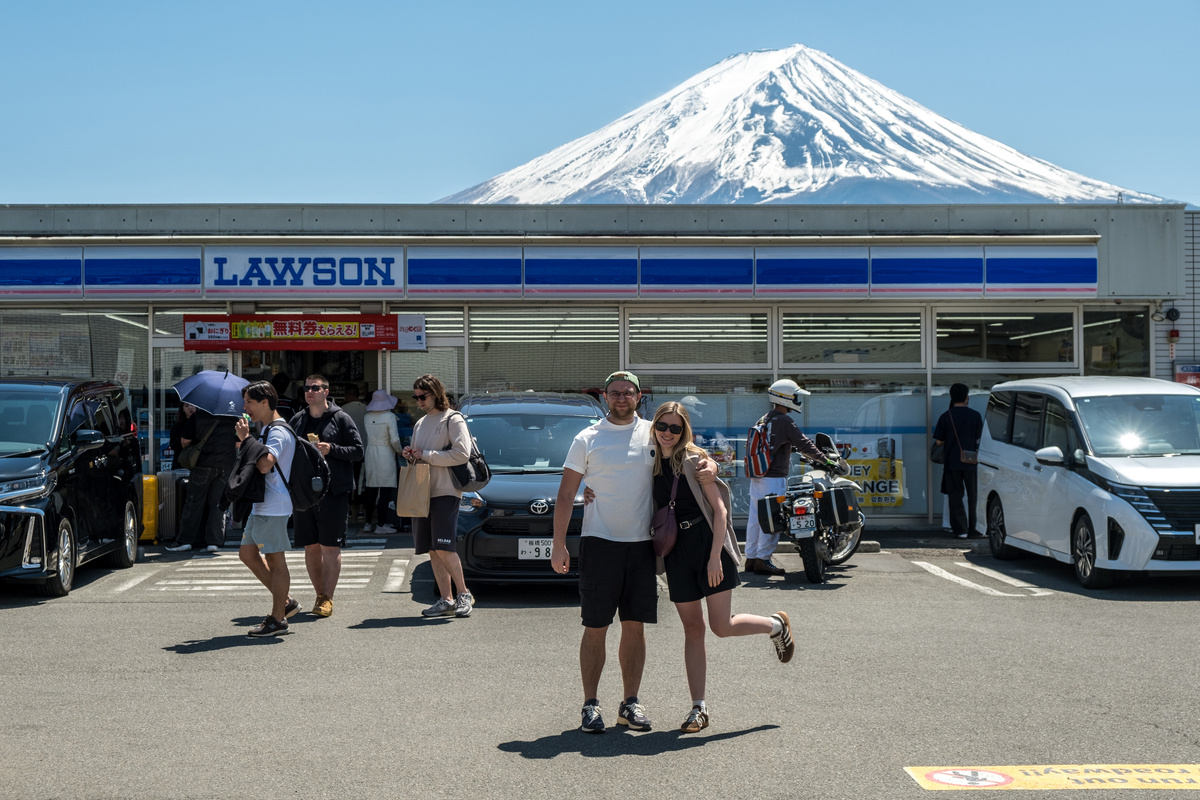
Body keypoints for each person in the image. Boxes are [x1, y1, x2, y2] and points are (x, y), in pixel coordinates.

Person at [551, 370, 716, 734]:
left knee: (634, 626)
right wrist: (559, 544)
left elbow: (693, 453)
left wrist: (712, 464)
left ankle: (630, 703)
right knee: (595, 626)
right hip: (599, 542)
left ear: (639, 397)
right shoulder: (587, 438)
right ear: (604, 397)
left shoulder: (654, 432)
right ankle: (590, 705)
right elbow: (566, 493)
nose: (622, 398)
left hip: (643, 545)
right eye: (615, 393)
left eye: (628, 392)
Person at [650, 401, 795, 733]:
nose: (668, 433)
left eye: (675, 428)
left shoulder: (694, 462)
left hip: (707, 547)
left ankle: (776, 626)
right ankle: (698, 709)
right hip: (676, 552)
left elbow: (720, 512)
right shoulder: (651, 462)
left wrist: (716, 557)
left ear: (683, 431)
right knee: (692, 629)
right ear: (654, 428)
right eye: (662, 427)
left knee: (721, 626)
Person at [288, 374, 364, 618]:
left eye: (315, 388)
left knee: (330, 547)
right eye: (307, 387)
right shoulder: (298, 419)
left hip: (333, 491)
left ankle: (328, 597)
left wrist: (332, 449)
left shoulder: (341, 418)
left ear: (326, 391)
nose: (310, 391)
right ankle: (320, 594)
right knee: (311, 547)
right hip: (305, 492)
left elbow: (358, 451)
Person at [402, 374, 474, 618]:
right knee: (433, 549)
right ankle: (446, 599)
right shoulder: (420, 423)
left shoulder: (453, 419)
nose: (419, 401)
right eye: (416, 397)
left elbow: (462, 454)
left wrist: (427, 454)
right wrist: (411, 454)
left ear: (436, 393)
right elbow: (420, 456)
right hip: (423, 492)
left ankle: (464, 593)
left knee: (444, 546)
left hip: (445, 490)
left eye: (423, 396)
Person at [744, 379, 831, 576]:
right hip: (773, 478)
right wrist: (827, 461)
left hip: (758, 477)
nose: (798, 401)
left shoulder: (764, 419)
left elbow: (775, 444)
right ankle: (763, 560)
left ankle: (751, 558)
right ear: (785, 398)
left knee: (756, 520)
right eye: (795, 397)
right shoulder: (784, 421)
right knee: (773, 520)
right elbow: (805, 444)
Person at [235, 380, 298, 637]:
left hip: (274, 505)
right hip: (262, 504)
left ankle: (278, 619)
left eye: (249, 401)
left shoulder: (278, 432)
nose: (245, 407)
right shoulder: (267, 429)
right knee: (247, 554)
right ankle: (285, 601)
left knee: (275, 559)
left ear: (265, 402)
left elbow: (265, 465)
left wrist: (245, 438)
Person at [166, 406, 239, 554]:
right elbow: (239, 443)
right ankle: (214, 542)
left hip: (203, 464)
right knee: (218, 504)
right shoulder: (232, 418)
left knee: (194, 503)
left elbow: (185, 441)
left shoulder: (197, 416)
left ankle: (185, 540)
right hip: (226, 465)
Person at [934, 383, 984, 539]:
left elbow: (939, 442)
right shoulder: (975, 416)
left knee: (955, 496)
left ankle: (960, 530)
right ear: (966, 397)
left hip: (952, 461)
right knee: (973, 495)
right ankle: (974, 528)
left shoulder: (946, 416)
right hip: (971, 461)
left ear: (951, 397)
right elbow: (978, 438)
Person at [361, 389, 404, 534]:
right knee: (385, 490)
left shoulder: (367, 416)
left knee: (371, 488)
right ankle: (381, 524)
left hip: (371, 451)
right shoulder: (390, 416)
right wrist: (399, 451)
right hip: (385, 452)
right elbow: (395, 439)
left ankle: (367, 523)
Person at [340, 385, 369, 521]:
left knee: (348, 480)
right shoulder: (367, 410)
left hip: (347, 451)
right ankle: (361, 510)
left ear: (349, 395)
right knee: (361, 481)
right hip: (365, 450)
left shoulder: (342, 410)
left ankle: (347, 510)